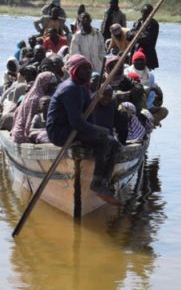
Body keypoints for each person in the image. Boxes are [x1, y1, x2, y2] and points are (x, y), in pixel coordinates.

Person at [45, 55, 123, 205]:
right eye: (83, 69)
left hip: (72, 128)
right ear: (75, 70)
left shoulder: (82, 87)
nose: (88, 72)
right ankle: (97, 185)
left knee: (112, 143)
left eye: (89, 68)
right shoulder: (70, 88)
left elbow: (89, 116)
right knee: (105, 140)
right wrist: (99, 133)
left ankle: (103, 183)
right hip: (59, 132)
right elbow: (76, 122)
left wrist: (96, 132)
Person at [10, 71, 60, 143]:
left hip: (18, 132)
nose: (52, 87)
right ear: (44, 83)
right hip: (22, 135)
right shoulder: (36, 99)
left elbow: (17, 113)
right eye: (50, 84)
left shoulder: (31, 94)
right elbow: (29, 121)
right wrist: (27, 137)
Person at [129, 4, 160, 69]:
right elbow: (129, 35)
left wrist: (135, 35)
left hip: (147, 55)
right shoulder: (138, 22)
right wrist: (136, 34)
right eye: (144, 13)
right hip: (135, 52)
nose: (145, 15)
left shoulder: (153, 24)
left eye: (147, 13)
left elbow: (147, 39)